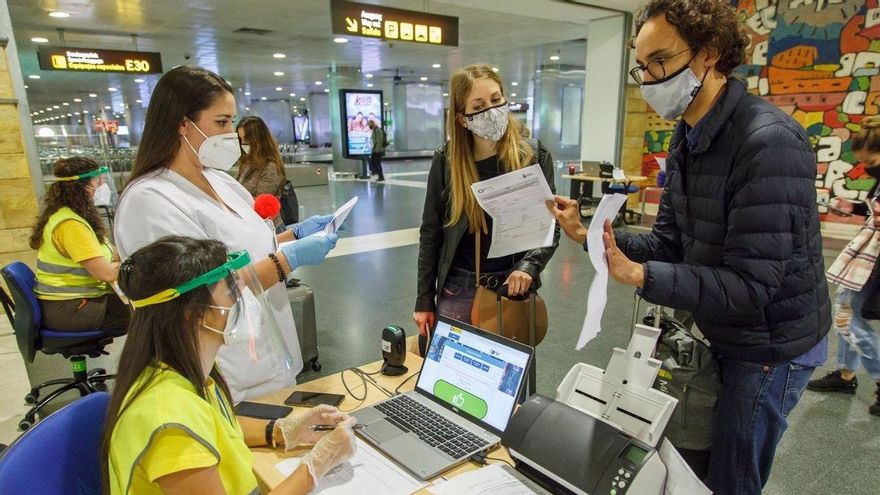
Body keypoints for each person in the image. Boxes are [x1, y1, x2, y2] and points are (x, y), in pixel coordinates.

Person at [548, 1, 829, 493]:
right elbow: (672, 241)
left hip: (768, 342)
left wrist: (644, 276)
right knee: (697, 465)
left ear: (709, 53)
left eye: (661, 61)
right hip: (720, 327)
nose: (649, 78)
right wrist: (595, 235)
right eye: (643, 66)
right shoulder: (688, 135)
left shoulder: (769, 142)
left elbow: (752, 285)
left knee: (733, 476)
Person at [113, 65, 339, 401]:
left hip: (271, 350)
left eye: (232, 121)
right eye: (221, 122)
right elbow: (200, 292)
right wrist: (285, 262)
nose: (231, 133)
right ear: (181, 124)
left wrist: (293, 236)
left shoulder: (221, 180)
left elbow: (247, 246)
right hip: (225, 369)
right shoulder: (150, 200)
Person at [102, 236, 356, 494]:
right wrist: (316, 466)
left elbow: (219, 427)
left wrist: (285, 431)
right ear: (195, 312)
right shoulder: (170, 422)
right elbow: (191, 433)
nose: (243, 301)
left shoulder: (182, 370)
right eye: (232, 292)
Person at [414, 63, 559, 336]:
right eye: (479, 106)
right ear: (461, 118)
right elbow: (431, 233)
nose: (491, 111)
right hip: (458, 288)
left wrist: (529, 267)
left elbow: (551, 223)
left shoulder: (533, 156)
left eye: (496, 100)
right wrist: (424, 300)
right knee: (455, 376)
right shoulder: (447, 161)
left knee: (509, 376)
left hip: (512, 289)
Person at [807, 115, 880, 417]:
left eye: (872, 160)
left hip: (874, 258)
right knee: (845, 307)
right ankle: (846, 374)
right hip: (868, 252)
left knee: (849, 318)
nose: (868, 167)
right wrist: (856, 207)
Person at [29, 157, 129, 332]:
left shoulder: (73, 216)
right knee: (150, 312)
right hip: (70, 309)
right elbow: (105, 273)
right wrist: (143, 266)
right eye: (97, 180)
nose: (102, 185)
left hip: (72, 303)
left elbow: (109, 253)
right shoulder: (70, 225)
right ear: (81, 187)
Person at [236, 116, 287, 198]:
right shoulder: (247, 162)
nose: (243, 144)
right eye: (240, 139)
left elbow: (260, 201)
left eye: (246, 139)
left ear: (259, 140)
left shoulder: (271, 167)